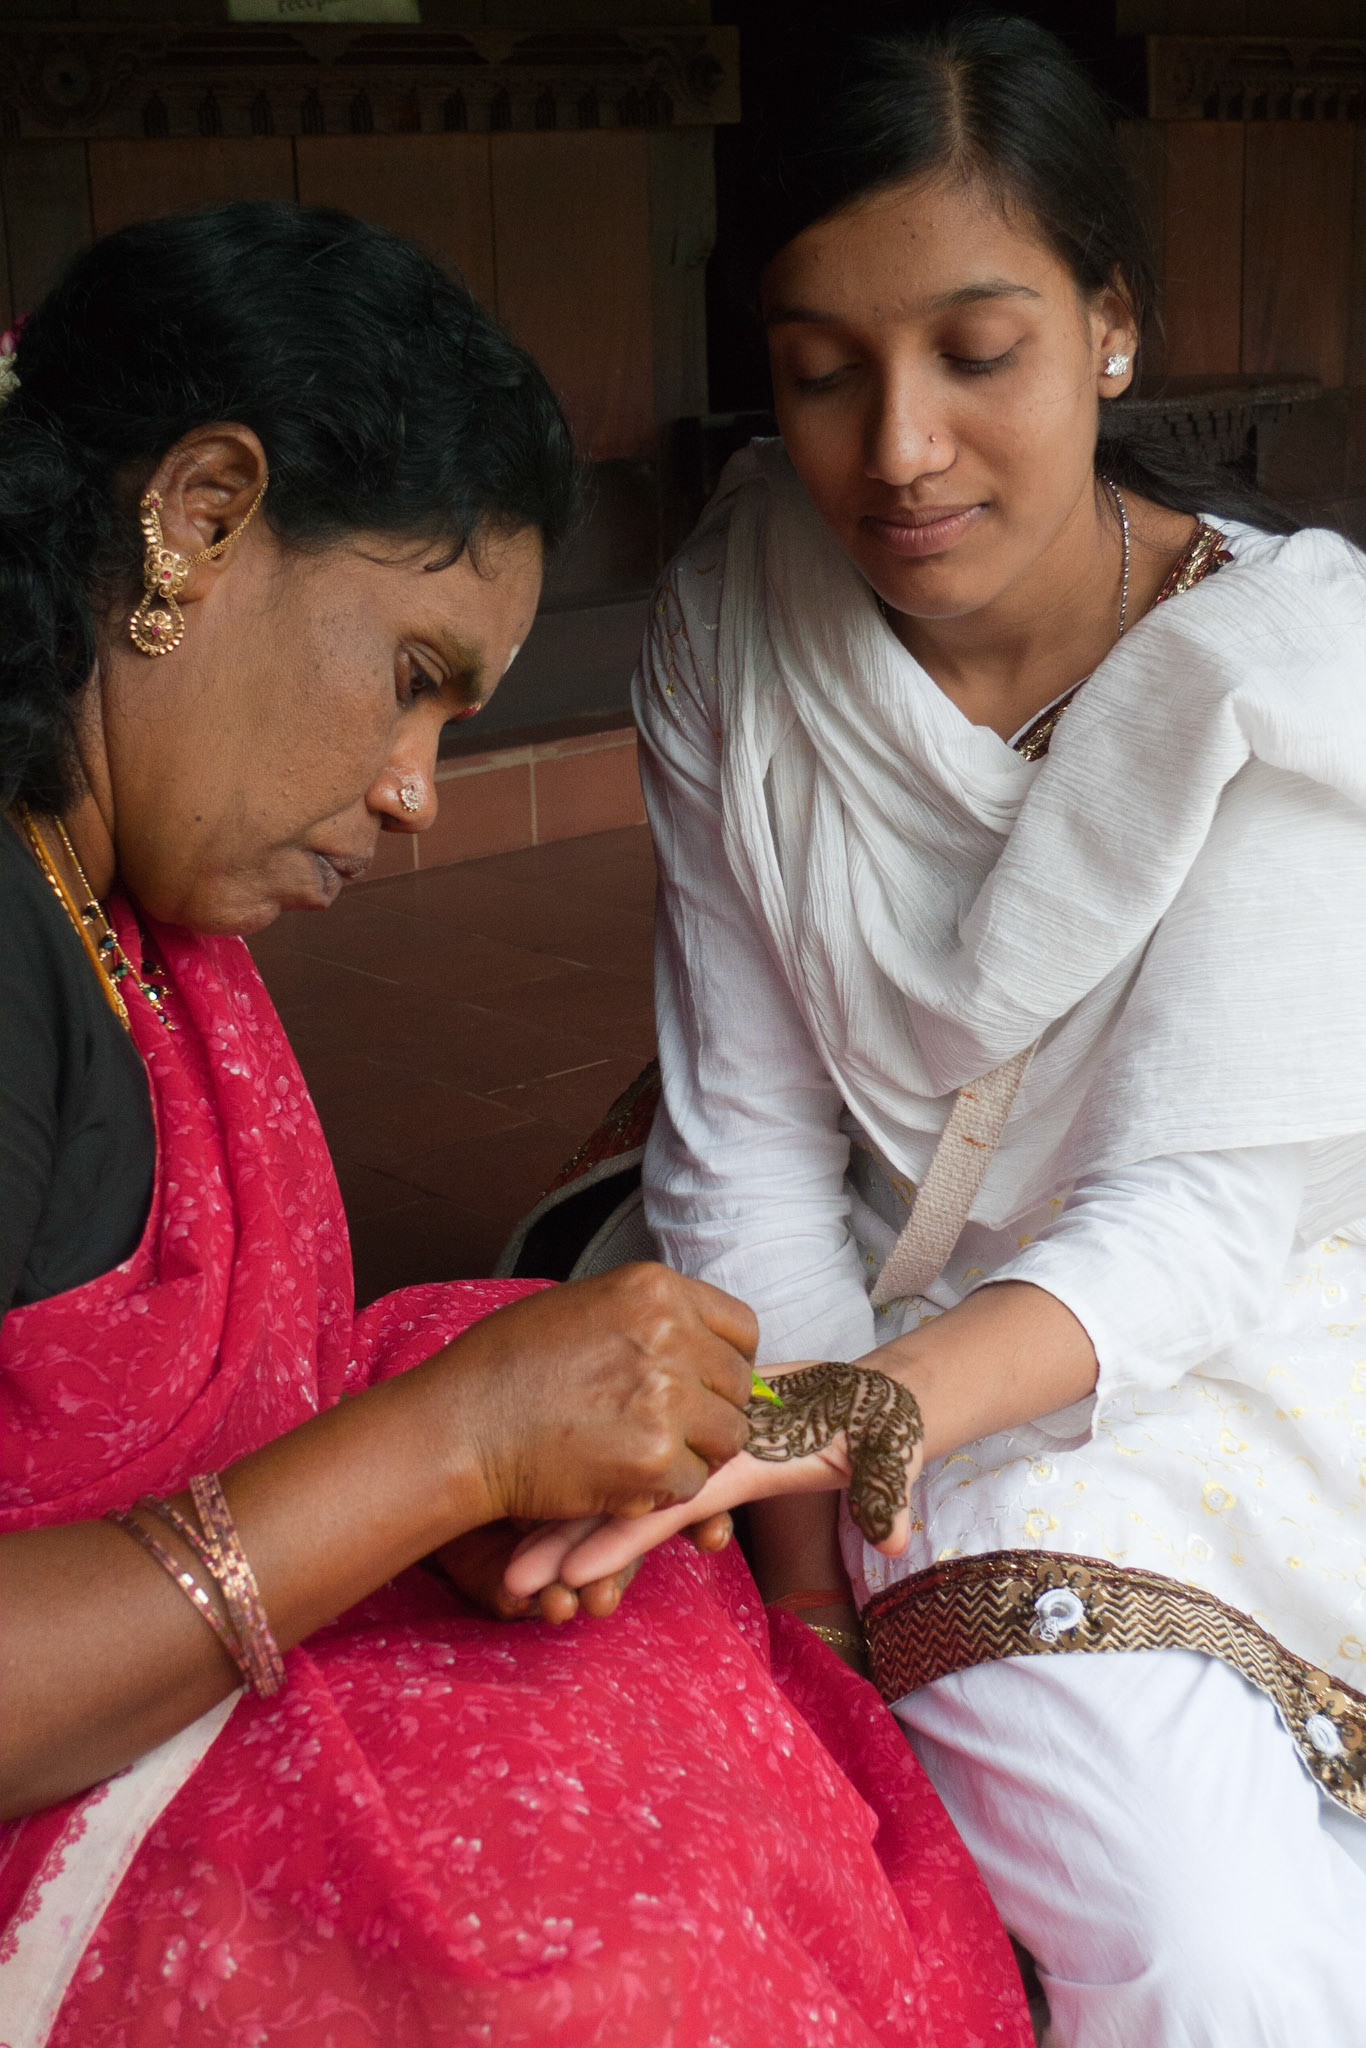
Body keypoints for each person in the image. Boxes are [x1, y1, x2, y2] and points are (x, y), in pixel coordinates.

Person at [0, 204, 1032, 2047]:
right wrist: (447, 1457)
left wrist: (468, 1468)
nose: (412, 797)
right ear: (200, 517)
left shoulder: (107, 896)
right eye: (411, 676)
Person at [506, 18, 1366, 2047]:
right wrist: (809, 1579)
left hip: (1210, 1325)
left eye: (973, 355)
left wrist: (826, 1438)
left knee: (1211, 1937)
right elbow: (742, 1151)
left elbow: (1186, 1226)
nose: (892, 450)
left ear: (1107, 332)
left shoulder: (1283, 669)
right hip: (824, 1328)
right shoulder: (735, 621)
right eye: (820, 369)